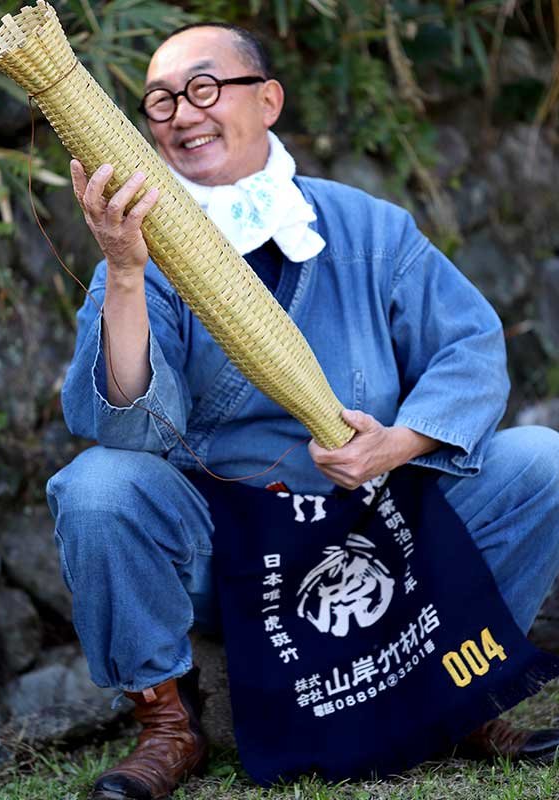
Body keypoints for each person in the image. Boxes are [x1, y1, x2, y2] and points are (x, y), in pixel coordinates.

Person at [46, 21, 559, 800]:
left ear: (271, 100)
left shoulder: (368, 227)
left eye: (205, 88)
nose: (182, 114)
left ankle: (460, 688)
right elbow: (124, 426)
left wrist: (399, 443)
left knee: (541, 462)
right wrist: (123, 272)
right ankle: (167, 724)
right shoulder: (139, 246)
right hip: (231, 550)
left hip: (381, 525)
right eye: (160, 102)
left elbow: (471, 350)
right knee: (98, 487)